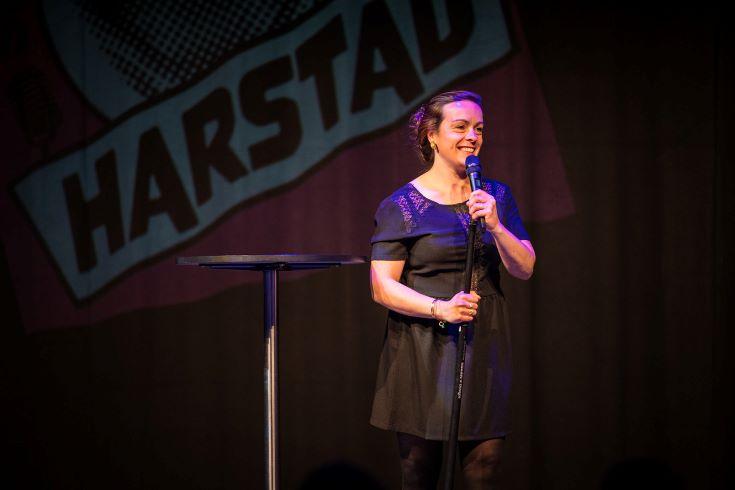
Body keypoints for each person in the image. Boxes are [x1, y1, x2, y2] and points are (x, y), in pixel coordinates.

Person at [369, 90, 536, 489]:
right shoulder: (402, 205)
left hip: (483, 339)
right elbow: (382, 286)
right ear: (431, 135)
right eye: (460, 127)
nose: (472, 136)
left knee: (486, 462)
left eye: (478, 128)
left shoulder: (496, 196)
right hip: (422, 343)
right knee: (420, 466)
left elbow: (525, 267)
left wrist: (496, 226)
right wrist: (439, 307)